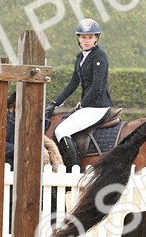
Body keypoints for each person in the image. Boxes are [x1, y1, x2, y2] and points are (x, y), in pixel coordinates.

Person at [46, 18, 112, 169]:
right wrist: (54, 103)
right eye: (83, 37)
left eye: (90, 37)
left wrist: (82, 104)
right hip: (88, 107)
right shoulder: (80, 57)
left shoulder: (99, 56)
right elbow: (72, 84)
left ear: (96, 38)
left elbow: (97, 86)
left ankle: (74, 170)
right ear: (79, 38)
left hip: (98, 107)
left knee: (62, 130)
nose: (87, 40)